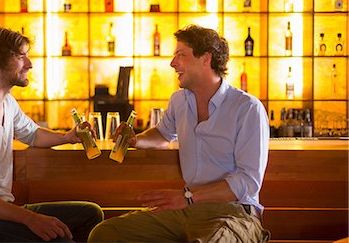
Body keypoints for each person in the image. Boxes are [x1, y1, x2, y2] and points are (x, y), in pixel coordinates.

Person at [88, 24, 271, 242]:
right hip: (186, 210)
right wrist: (136, 139)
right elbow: (163, 133)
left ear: (206, 58)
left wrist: (188, 197)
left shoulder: (247, 108)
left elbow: (247, 182)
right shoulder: (179, 100)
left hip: (234, 214)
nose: (172, 63)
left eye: (180, 55)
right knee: (105, 234)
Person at [0, 27, 103, 243]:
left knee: (91, 214)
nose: (30, 63)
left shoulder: (6, 102)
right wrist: (31, 219)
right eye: (21, 56)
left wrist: (67, 137)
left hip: (0, 210)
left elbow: (32, 134)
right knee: (59, 239)